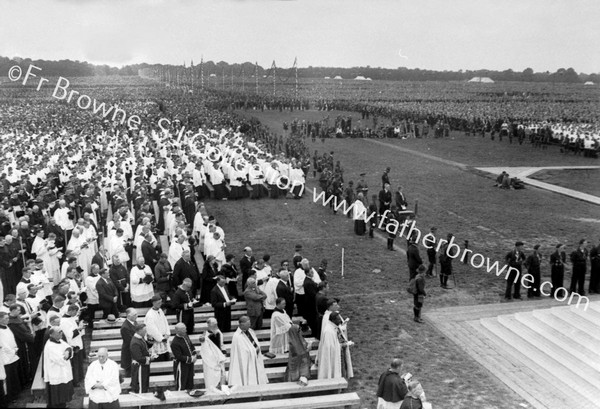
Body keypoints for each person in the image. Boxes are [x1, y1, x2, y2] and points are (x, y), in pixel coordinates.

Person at [228, 315, 269, 386]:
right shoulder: (237, 336)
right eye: (248, 323)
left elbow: (255, 342)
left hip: (255, 357)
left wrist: (257, 349)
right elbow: (242, 352)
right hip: (246, 361)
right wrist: (252, 351)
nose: (250, 325)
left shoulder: (250, 331)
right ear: (242, 324)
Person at [43, 326, 74, 408]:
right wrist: (66, 355)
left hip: (61, 372)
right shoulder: (50, 346)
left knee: (62, 394)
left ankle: (62, 405)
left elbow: (68, 347)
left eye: (61, 331)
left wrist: (67, 351)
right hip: (56, 374)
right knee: (57, 396)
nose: (61, 333)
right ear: (52, 334)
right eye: (59, 332)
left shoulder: (59, 341)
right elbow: (60, 360)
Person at [317, 311, 353, 379]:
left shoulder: (333, 327)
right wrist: (343, 345)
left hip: (339, 352)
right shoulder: (328, 331)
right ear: (333, 320)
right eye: (338, 319)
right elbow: (329, 347)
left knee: (342, 368)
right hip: (335, 354)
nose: (340, 320)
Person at [0, 311, 22, 401]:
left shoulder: (7, 327)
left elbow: (11, 339)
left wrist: (15, 349)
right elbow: (4, 345)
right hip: (6, 357)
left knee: (14, 376)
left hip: (13, 355)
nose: (8, 319)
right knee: (9, 379)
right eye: (5, 318)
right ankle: (10, 397)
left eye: (8, 318)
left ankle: (16, 394)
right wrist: (13, 351)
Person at [199, 321, 227, 392]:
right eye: (214, 325)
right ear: (209, 326)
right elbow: (206, 352)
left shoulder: (219, 333)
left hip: (220, 360)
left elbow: (221, 345)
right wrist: (216, 360)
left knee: (222, 376)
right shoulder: (205, 337)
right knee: (211, 379)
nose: (216, 326)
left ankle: (222, 393)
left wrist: (224, 354)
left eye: (216, 325)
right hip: (211, 363)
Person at [170, 323, 196, 391]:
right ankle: (180, 400)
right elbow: (179, 357)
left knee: (190, 382)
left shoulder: (185, 335)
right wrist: (191, 359)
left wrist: (194, 353)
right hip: (181, 366)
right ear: (178, 331)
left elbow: (191, 345)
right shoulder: (174, 343)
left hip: (190, 364)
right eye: (184, 329)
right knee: (181, 383)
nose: (186, 330)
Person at [144, 295, 171, 361]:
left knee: (166, 356)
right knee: (159, 358)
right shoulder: (150, 315)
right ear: (153, 303)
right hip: (158, 340)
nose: (160, 304)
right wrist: (161, 338)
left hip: (164, 337)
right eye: (158, 303)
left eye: (161, 302)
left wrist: (167, 333)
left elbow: (165, 322)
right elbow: (152, 329)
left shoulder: (160, 310)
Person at [130, 323, 154, 394]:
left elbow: (146, 346)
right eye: (144, 330)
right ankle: (140, 404)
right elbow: (138, 357)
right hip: (139, 367)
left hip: (143, 366)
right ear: (139, 331)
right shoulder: (135, 342)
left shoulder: (140, 338)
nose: (146, 332)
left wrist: (151, 339)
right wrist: (150, 359)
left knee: (144, 383)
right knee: (140, 385)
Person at [120, 308, 138, 377]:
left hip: (134, 350)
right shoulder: (125, 327)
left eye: (136, 314)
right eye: (135, 315)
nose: (137, 316)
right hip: (129, 352)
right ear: (129, 316)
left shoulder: (134, 321)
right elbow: (130, 341)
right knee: (130, 373)